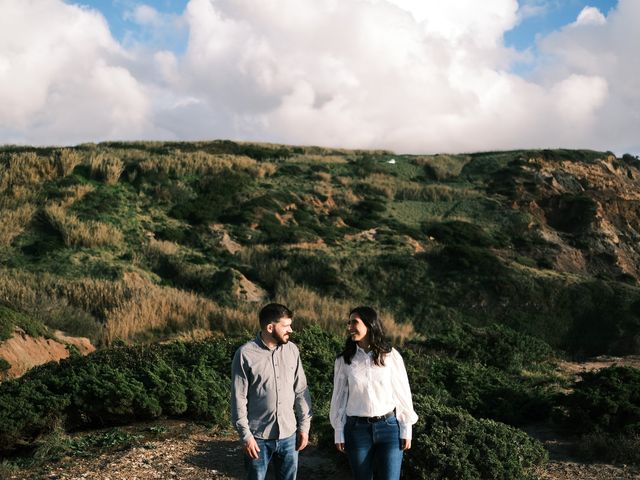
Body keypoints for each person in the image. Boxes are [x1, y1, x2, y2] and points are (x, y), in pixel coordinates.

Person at [330, 306, 418, 480]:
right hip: (357, 430)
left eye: (354, 322)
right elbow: (339, 398)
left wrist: (406, 429)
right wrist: (338, 430)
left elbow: (402, 392)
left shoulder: (390, 356)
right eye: (348, 323)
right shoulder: (344, 360)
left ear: (369, 324)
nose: (349, 327)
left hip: (389, 428)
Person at [231, 303, 312, 480]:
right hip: (258, 438)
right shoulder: (245, 354)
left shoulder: (292, 350)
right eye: (286, 326)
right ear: (270, 327)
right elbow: (238, 399)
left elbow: (301, 391)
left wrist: (304, 427)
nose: (290, 330)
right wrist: (246, 436)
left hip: (289, 435)